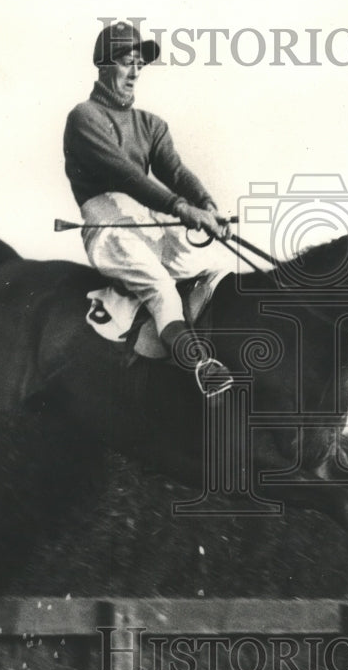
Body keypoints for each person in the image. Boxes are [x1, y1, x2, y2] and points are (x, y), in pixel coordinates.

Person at [63, 20, 234, 397]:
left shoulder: (151, 124)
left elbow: (175, 172)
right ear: (105, 65)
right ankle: (200, 366)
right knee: (161, 289)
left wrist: (207, 205)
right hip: (108, 223)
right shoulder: (85, 117)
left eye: (140, 64)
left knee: (210, 268)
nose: (136, 71)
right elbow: (125, 175)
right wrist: (183, 209)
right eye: (128, 62)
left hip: (148, 217)